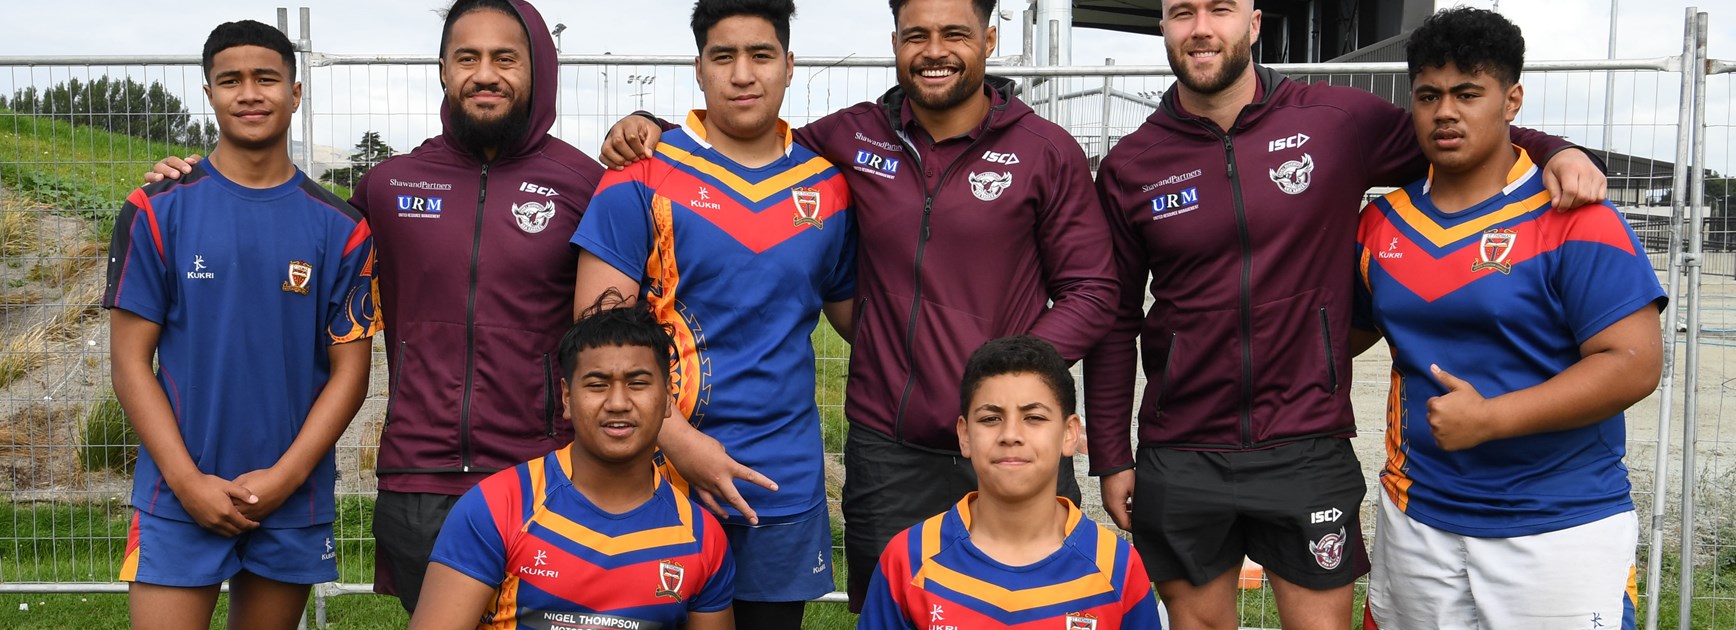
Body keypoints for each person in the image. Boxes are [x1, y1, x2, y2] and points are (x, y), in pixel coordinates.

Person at [1084, 0, 1610, 627]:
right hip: (1182, 448)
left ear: (1252, 23)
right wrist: (1112, 455)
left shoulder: (1335, 120)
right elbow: (1115, 318)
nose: (1200, 28)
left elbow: (1458, 126)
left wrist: (1559, 148)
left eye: (1220, 9)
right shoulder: (1129, 165)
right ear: (1163, 27)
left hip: (1306, 439)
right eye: (1181, 13)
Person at [600, 0, 1117, 610]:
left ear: (990, 38)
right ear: (894, 40)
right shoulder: (851, 136)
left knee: (1034, 611)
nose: (934, 51)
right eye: (917, 35)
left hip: (1009, 435)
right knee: (894, 613)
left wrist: (1007, 384)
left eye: (955, 33)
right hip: (888, 446)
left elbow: (1094, 291)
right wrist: (650, 124)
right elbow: (747, 144)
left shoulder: (1045, 149)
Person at [147, 0, 605, 612]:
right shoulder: (389, 188)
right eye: (467, 57)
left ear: (538, 67)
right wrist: (197, 184)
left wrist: (650, 124)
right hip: (419, 480)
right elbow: (280, 228)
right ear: (443, 70)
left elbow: (616, 330)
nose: (486, 73)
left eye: (506, 58)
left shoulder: (587, 184)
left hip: (546, 477)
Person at [1353, 8, 1663, 629]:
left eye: (1469, 93)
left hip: (1558, 523)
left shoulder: (1576, 217)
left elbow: (1634, 364)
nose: (1446, 111)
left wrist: (1492, 419)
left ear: (1511, 99)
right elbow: (1338, 338)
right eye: (1429, 95)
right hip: (1418, 515)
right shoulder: (1380, 224)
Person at [570, 1, 854, 626]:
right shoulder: (641, 174)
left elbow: (863, 320)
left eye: (761, 55)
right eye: (723, 57)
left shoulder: (829, 190)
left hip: (778, 481)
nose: (743, 74)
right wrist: (679, 442)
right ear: (698, 68)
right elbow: (593, 341)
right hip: (652, 467)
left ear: (789, 65)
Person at [105, 19, 379, 630]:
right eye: (230, 80)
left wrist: (285, 477)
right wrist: (187, 480)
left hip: (289, 498)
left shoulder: (342, 227)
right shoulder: (155, 208)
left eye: (266, 78)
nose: (249, 93)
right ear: (209, 93)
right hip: (177, 495)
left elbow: (351, 372)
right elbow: (129, 363)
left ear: (296, 92)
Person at [409, 292, 734, 630]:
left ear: (668, 397)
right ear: (567, 397)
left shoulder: (700, 537)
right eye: (597, 385)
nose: (618, 402)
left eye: (637, 383)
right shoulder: (497, 507)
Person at [857, 336, 1161, 630]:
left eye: (1034, 417)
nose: (1010, 434)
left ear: (1069, 433)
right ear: (964, 435)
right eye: (990, 419)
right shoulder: (909, 559)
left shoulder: (1116, 567)